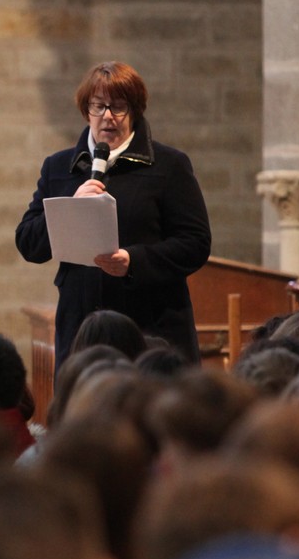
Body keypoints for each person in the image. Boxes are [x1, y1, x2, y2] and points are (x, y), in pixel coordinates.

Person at [16, 62, 211, 367]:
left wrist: (133, 261)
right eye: (99, 106)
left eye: (118, 106)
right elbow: (28, 243)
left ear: (135, 110)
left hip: (151, 329)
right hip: (82, 329)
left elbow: (195, 243)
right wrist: (71, 205)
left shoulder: (169, 165)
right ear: (86, 111)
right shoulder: (59, 167)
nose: (108, 116)